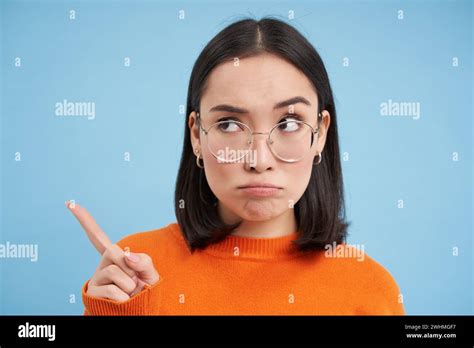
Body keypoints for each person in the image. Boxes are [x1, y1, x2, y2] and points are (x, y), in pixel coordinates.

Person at [70, 17, 405, 315]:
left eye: (289, 123)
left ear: (320, 135)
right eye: (229, 124)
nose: (259, 160)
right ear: (196, 136)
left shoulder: (371, 289)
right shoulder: (132, 274)